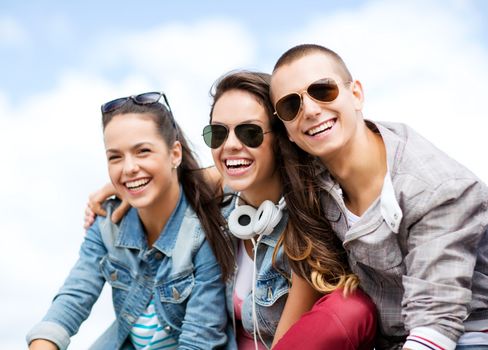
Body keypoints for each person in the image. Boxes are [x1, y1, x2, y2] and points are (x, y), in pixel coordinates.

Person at [85, 71, 377, 349]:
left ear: (280, 136)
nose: (231, 145)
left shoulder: (305, 221)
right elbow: (191, 180)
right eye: (218, 134)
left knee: (350, 307)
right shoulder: (221, 212)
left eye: (250, 133)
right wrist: (127, 187)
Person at [269, 43, 488, 350]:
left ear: (356, 94)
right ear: (287, 130)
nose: (311, 109)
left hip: (461, 336)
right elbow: (241, 165)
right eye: (291, 105)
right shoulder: (313, 175)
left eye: (323, 90)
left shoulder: (437, 189)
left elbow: (435, 328)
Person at [26, 92, 234, 349]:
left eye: (143, 151)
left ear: (175, 154)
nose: (128, 168)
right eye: (115, 156)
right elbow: (72, 298)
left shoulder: (203, 230)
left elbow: (199, 341)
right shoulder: (107, 224)